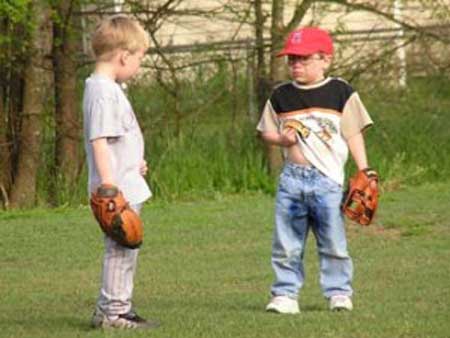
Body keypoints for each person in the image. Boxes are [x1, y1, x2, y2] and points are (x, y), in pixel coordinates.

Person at [257, 27, 374, 314]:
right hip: (292, 181)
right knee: (286, 242)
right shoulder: (280, 95)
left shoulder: (340, 92)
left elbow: (353, 133)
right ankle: (285, 294)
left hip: (328, 181)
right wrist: (281, 139)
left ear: (325, 60)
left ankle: (338, 292)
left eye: (304, 59)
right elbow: (265, 133)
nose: (296, 64)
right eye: (292, 59)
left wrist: (365, 169)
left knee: (333, 241)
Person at [82, 15, 158, 329]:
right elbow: (99, 141)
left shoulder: (107, 88)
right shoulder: (102, 92)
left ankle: (113, 308)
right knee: (120, 250)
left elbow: (115, 141)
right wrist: (110, 187)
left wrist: (132, 162)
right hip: (117, 191)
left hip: (126, 181)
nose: (138, 66)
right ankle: (113, 312)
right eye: (139, 58)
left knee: (127, 248)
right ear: (123, 55)